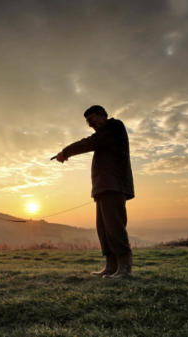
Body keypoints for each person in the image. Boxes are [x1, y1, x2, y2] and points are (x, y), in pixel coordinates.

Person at [53, 105, 134, 278]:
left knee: (114, 227)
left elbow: (90, 142)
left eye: (91, 120)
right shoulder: (105, 133)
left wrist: (65, 152)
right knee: (103, 229)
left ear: (102, 115)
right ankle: (111, 267)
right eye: (88, 122)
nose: (90, 125)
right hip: (103, 188)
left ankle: (124, 268)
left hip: (114, 186)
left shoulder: (114, 127)